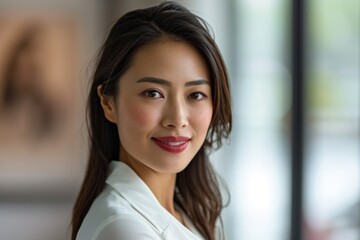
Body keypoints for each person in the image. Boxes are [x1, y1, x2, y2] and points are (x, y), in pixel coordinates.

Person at [71, 2, 232, 240]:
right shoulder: (124, 228)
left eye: (195, 95)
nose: (177, 119)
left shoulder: (188, 213)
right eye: (153, 93)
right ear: (108, 103)